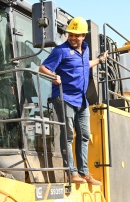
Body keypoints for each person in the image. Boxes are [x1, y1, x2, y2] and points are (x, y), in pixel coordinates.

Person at [39, 16, 108, 184]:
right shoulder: (60, 51)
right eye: (71, 34)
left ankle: (84, 173)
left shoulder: (84, 51)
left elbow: (84, 65)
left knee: (84, 135)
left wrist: (99, 60)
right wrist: (54, 76)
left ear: (84, 36)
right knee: (69, 135)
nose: (73, 37)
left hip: (81, 100)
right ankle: (72, 172)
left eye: (77, 35)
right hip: (64, 97)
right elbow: (42, 68)